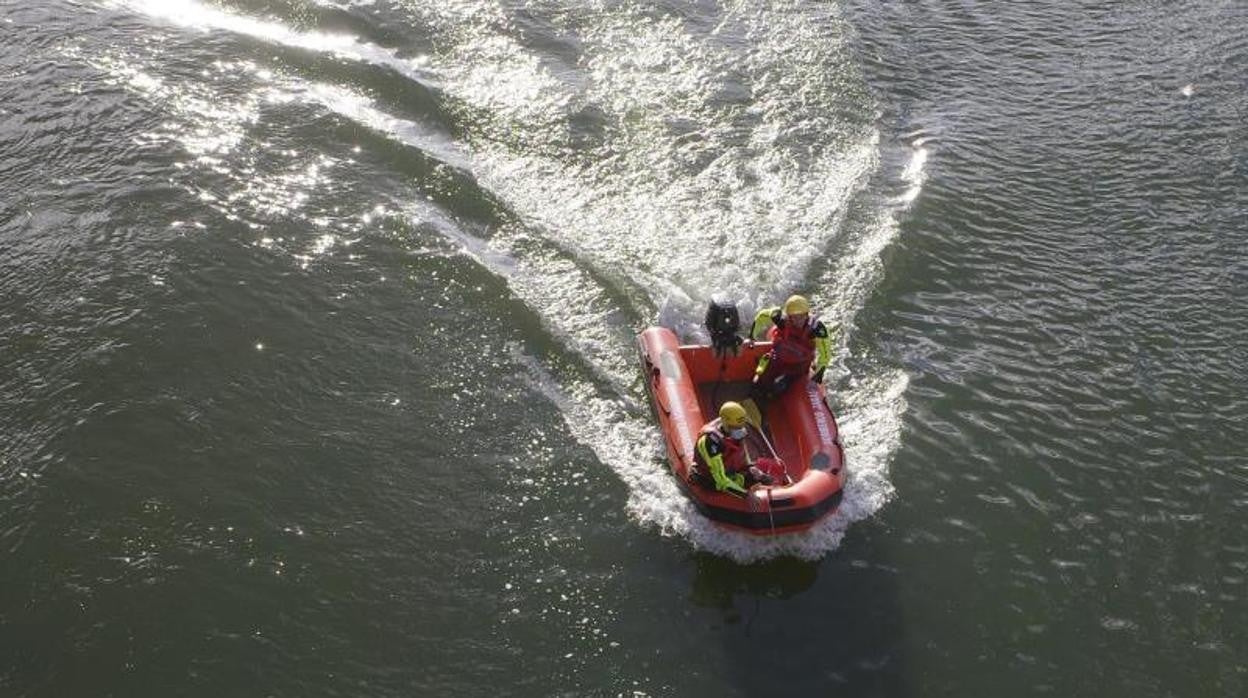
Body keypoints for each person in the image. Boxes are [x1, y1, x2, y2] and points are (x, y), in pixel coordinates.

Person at [692, 402, 786, 496]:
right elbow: (721, 481)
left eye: (741, 427)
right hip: (711, 480)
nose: (739, 430)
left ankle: (776, 487)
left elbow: (744, 460)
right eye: (735, 427)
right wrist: (745, 495)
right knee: (750, 482)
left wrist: (754, 471)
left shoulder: (737, 431)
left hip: (732, 471)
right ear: (725, 423)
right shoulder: (711, 442)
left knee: (771, 470)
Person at [749, 294, 833, 397]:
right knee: (757, 382)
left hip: (798, 366)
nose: (798, 321)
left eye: (801, 316)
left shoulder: (816, 329)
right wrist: (752, 336)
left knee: (778, 387)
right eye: (794, 317)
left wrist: (818, 374)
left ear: (807, 314)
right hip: (777, 356)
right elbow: (762, 316)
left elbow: (825, 354)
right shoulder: (780, 318)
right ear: (789, 316)